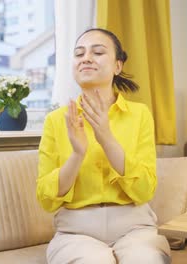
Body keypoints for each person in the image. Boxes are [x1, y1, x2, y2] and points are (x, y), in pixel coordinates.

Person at [36, 28, 171, 264]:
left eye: (97, 52)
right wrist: (78, 154)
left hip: (135, 227)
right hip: (76, 232)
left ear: (117, 66)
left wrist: (106, 137)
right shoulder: (56, 120)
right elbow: (46, 199)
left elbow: (145, 190)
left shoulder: (139, 115)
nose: (86, 58)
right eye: (79, 54)